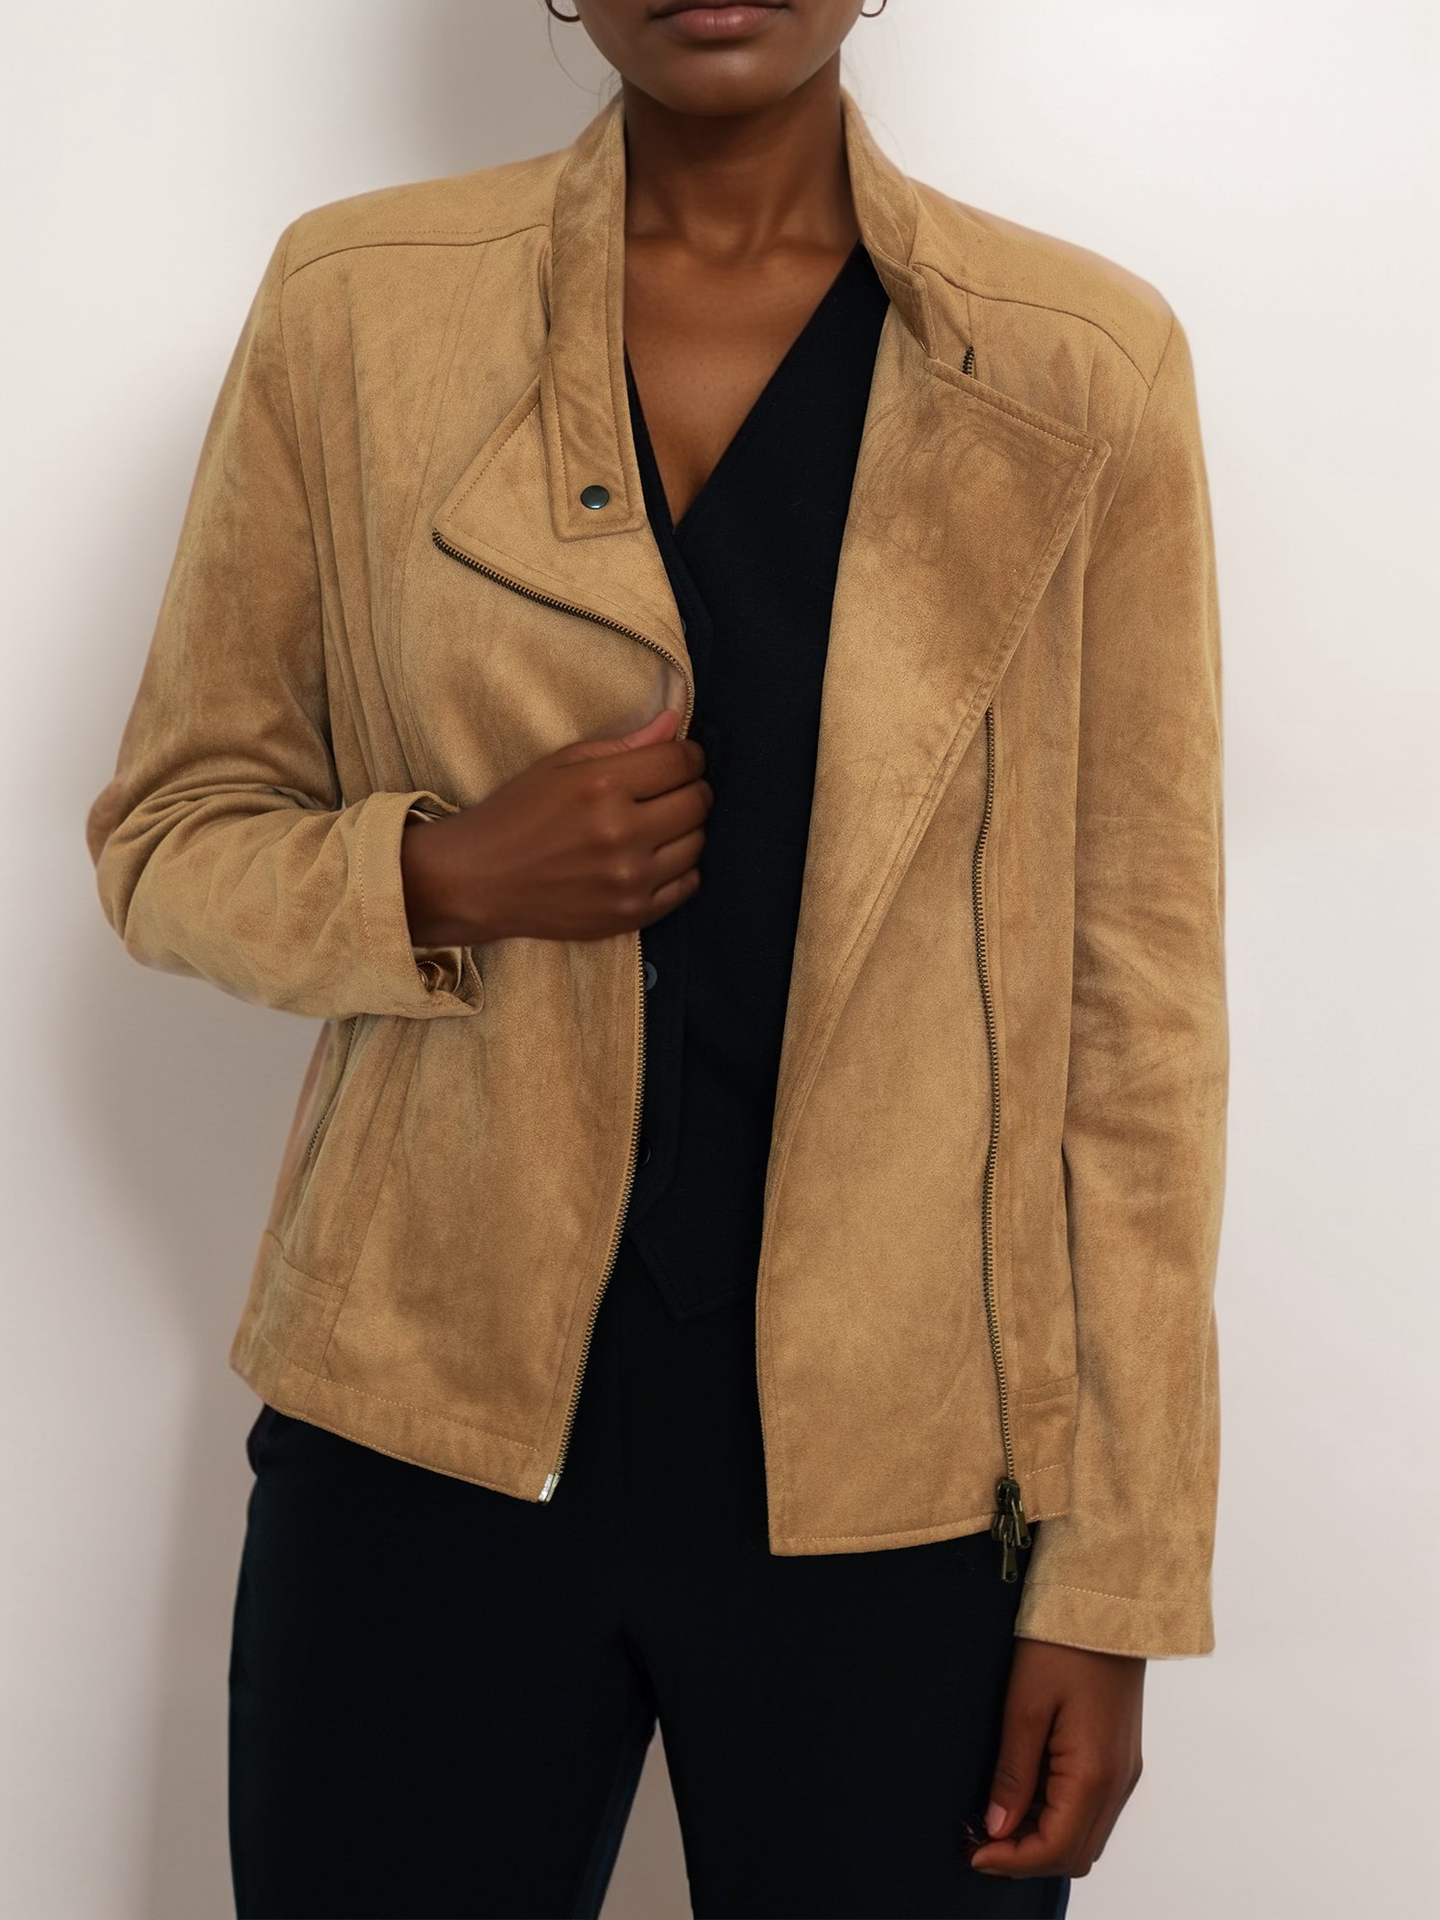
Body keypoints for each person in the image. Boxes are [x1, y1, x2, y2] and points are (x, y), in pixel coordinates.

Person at [85, 1, 1228, 1914]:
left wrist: (1115, 1580)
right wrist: (441, 875)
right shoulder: (357, 308)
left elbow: (1142, 1024)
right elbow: (169, 834)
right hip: (425, 1433)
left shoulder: (1080, 364)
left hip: (912, 1479)